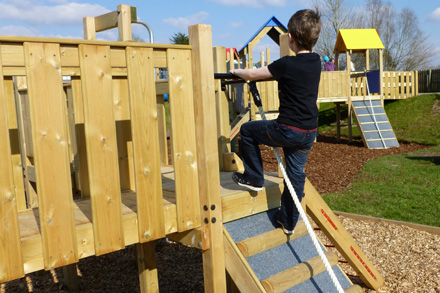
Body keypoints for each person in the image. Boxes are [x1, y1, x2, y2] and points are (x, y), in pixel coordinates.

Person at [229, 8, 322, 235]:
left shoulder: (286, 64)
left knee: (248, 131)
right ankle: (288, 221)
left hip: (287, 129)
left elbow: (253, 74)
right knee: (295, 175)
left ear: (290, 38)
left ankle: (253, 177)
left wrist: (235, 71)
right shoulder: (317, 61)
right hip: (309, 132)